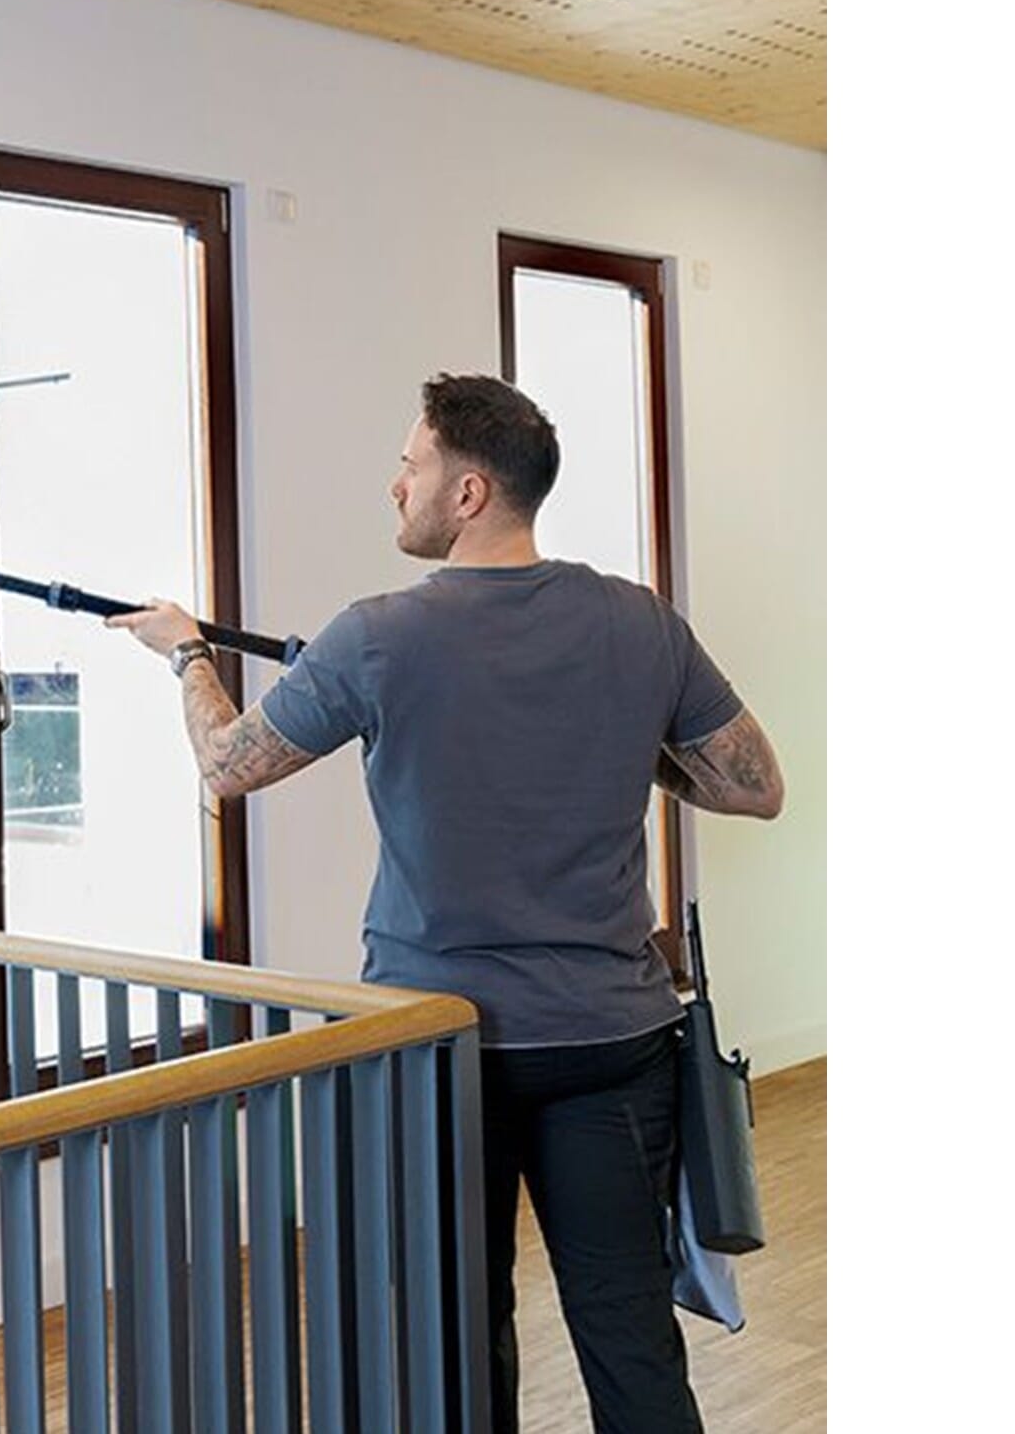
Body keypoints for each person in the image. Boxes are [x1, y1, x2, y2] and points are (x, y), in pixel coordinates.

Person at [107, 372, 782, 1434]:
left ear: (468, 492)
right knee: (628, 1329)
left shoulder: (378, 636)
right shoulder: (639, 622)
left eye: (410, 465)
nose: (396, 485)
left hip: (439, 1046)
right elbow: (753, 787)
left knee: (457, 1334)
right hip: (609, 1042)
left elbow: (228, 767)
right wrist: (618, 734)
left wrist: (188, 652)